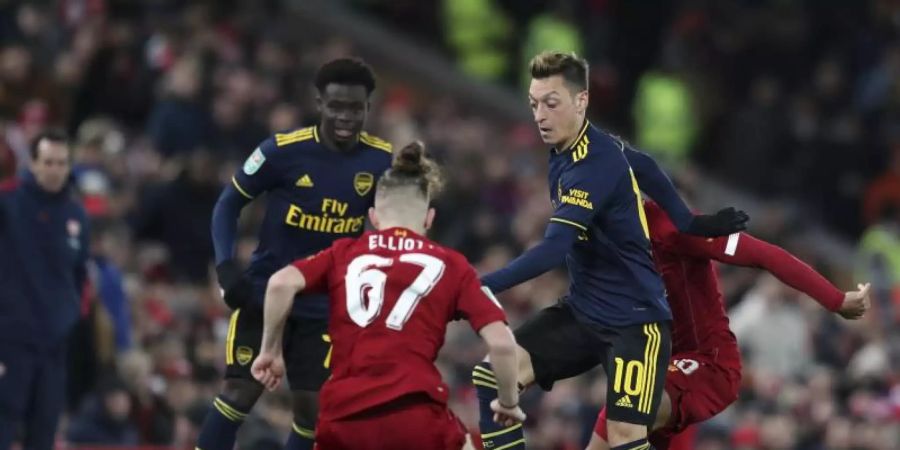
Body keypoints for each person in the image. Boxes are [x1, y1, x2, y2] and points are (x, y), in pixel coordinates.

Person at [475, 51, 748, 450]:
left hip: (635, 325)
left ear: (581, 101)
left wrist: (479, 284)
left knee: (624, 437)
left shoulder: (592, 167)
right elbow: (643, 164)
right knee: (494, 377)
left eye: (551, 103)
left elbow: (554, 251)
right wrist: (689, 220)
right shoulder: (581, 148)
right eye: (534, 104)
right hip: (584, 311)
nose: (540, 116)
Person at [251, 142, 524, 450]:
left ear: (373, 217)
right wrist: (508, 402)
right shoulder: (452, 265)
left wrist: (270, 351)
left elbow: (279, 284)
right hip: (414, 416)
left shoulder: (344, 252)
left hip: (342, 419)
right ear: (429, 219)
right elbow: (502, 344)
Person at [198, 57, 393, 450]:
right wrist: (226, 267)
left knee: (314, 410)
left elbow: (396, 224)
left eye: (355, 108)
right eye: (336, 106)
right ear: (319, 103)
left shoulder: (382, 160)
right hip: (265, 295)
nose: (345, 117)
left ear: (368, 108)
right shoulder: (282, 151)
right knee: (240, 392)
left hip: (325, 305)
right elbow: (227, 204)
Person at [587, 200, 871, 450]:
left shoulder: (676, 226)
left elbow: (765, 255)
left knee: (628, 406)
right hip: (663, 366)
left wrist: (836, 300)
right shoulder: (596, 245)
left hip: (710, 364)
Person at [0, 130, 90, 450]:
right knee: (4, 423)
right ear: (33, 164)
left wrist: (70, 316)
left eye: (62, 163)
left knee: (45, 427)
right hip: (11, 341)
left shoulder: (76, 215)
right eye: (48, 162)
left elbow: (79, 275)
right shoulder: (8, 205)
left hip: (54, 345)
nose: (55, 169)